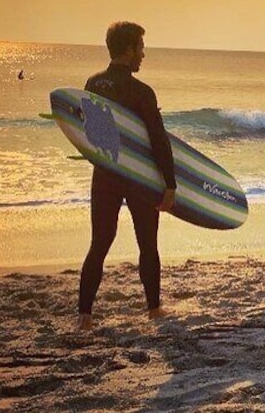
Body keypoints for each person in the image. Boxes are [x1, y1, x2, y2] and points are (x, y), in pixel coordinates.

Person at [77, 21, 177, 331]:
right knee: (147, 243)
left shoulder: (93, 84)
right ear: (129, 49)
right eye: (141, 48)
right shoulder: (141, 92)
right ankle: (154, 309)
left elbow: (87, 131)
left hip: (105, 174)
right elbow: (158, 140)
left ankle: (85, 316)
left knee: (100, 243)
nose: (143, 55)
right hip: (138, 178)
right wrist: (170, 183)